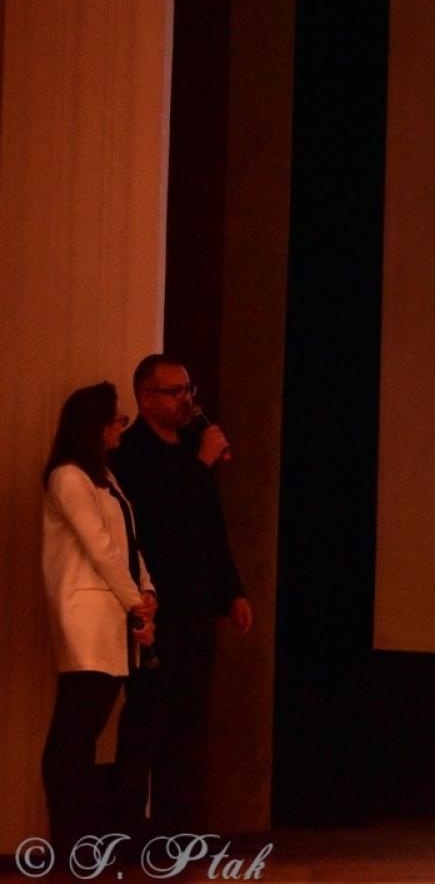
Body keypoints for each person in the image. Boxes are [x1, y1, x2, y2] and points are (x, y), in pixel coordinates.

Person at [110, 355, 250, 832]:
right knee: (147, 718)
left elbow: (211, 527)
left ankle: (177, 831)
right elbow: (159, 520)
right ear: (146, 398)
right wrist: (203, 463)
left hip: (197, 606)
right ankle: (127, 833)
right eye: (175, 391)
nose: (187, 398)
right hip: (156, 609)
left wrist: (233, 592)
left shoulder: (193, 445)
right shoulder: (130, 453)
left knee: (189, 722)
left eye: (189, 388)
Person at [40, 382, 156, 845]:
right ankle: (69, 840)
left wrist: (147, 591)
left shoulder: (106, 477)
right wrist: (134, 602)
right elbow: (100, 549)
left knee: (87, 728)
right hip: (86, 612)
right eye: (117, 418)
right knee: (76, 728)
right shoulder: (68, 476)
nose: (121, 426)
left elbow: (128, 543)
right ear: (96, 425)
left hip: (111, 611)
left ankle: (81, 837)